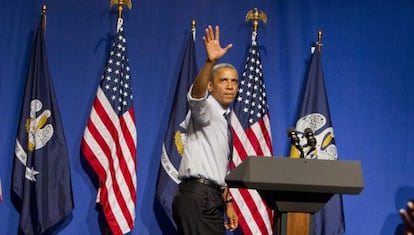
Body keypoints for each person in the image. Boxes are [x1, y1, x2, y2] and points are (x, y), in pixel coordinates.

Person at [172, 25, 239, 234]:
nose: (230, 86)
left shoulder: (223, 119)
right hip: (198, 196)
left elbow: (218, 168)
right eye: (223, 80)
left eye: (234, 81)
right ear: (211, 86)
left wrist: (227, 202)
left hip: (209, 197)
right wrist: (210, 62)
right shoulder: (207, 107)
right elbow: (196, 96)